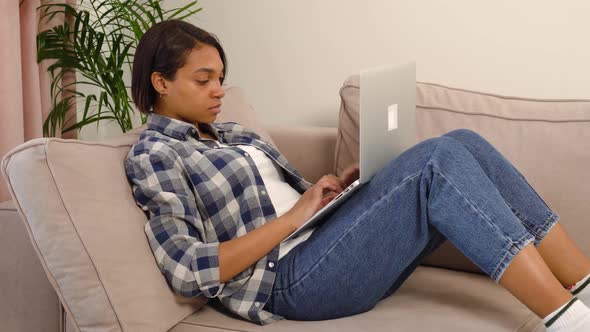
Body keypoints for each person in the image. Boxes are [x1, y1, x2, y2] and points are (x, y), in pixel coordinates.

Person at [124, 20, 590, 331]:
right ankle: (567, 319)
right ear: (161, 83)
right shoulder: (156, 155)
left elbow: (281, 202)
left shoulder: (232, 133)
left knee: (464, 141)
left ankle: (584, 281)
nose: (219, 91)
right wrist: (294, 220)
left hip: (324, 242)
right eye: (203, 80)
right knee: (437, 160)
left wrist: (328, 193)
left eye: (221, 78)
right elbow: (187, 270)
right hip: (289, 282)